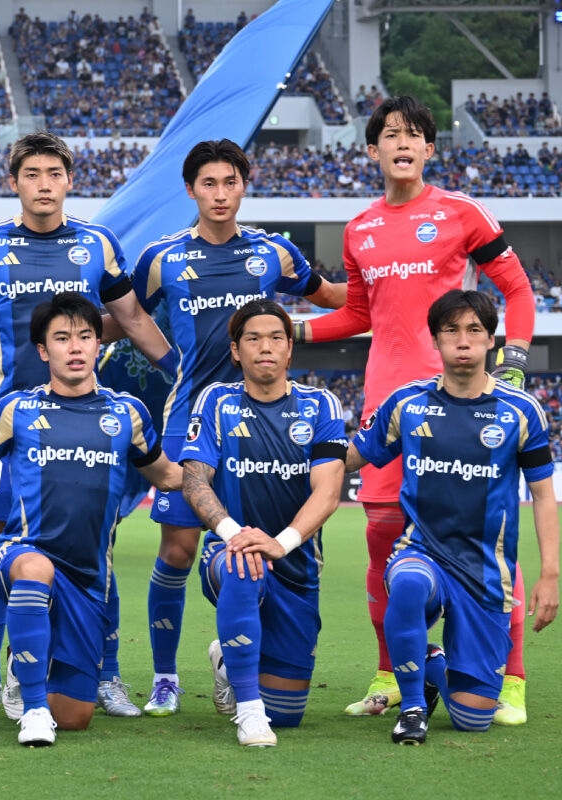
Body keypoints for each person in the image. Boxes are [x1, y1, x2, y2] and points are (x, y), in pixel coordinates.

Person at [0, 131, 177, 720]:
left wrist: (180, 370)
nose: (44, 184)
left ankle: (106, 674)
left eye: (55, 173)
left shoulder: (97, 244)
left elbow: (131, 318)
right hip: (9, 423)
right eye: (32, 174)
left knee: (97, 547)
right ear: (15, 183)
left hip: (86, 422)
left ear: (70, 180)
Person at [296, 96, 537, 722]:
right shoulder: (359, 228)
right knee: (382, 542)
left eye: (414, 135)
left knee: (487, 542)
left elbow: (516, 289)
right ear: (371, 149)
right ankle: (390, 674)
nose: (402, 142)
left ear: (430, 149)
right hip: (387, 405)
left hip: (462, 405)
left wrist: (511, 363)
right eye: (390, 134)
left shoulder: (460, 213)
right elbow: (358, 314)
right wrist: (290, 331)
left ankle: (510, 678)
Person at [121, 139, 342, 716]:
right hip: (190, 416)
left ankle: (235, 656)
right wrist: (168, 359)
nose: (220, 194)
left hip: (267, 418)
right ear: (190, 190)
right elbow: (126, 314)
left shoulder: (274, 252)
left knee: (260, 542)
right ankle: (166, 677)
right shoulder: (162, 257)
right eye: (208, 184)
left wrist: (394, 293)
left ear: (245, 185)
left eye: (230, 182)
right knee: (177, 547)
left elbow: (330, 297)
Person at [0, 293, 182, 746]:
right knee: (35, 569)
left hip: (89, 578)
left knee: (74, 717)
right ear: (42, 350)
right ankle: (32, 709)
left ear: (99, 346)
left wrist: (219, 470)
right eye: (62, 338)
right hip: (24, 553)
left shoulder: (127, 413)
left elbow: (166, 475)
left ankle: (32, 662)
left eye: (85, 337)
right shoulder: (18, 409)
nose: (75, 347)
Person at [346, 289, 558, 744]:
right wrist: (294, 449)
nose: (463, 340)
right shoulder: (407, 403)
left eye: (474, 330)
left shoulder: (522, 410)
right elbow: (349, 458)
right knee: (407, 583)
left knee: (471, 718)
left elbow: (544, 495)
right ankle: (413, 708)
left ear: (491, 341)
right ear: (435, 340)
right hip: (422, 553)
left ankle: (432, 663)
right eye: (451, 330)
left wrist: (550, 574)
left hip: (485, 572)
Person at [180, 299, 346, 747]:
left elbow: (328, 491)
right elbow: (194, 481)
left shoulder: (322, 405)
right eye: (252, 339)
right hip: (229, 555)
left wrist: (282, 542)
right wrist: (235, 536)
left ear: (290, 348)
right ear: (236, 351)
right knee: (242, 565)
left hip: (296, 568)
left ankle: (227, 659)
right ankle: (250, 712)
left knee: (287, 716)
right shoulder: (216, 401)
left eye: (275, 338)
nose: (265, 347)